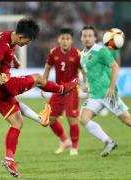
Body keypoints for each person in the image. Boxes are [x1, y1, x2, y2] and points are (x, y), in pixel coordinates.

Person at [0, 18, 78, 177]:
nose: (27, 44)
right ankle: (62, 89)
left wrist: (15, 61)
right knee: (39, 79)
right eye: (27, 41)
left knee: (17, 122)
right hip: (2, 85)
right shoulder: (4, 46)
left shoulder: (5, 36)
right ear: (20, 36)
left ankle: (9, 159)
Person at [79, 25, 131, 158]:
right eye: (84, 36)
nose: (87, 38)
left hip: (108, 94)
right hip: (94, 96)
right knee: (83, 119)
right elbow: (86, 74)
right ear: (81, 38)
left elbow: (115, 67)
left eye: (89, 36)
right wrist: (86, 85)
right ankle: (108, 142)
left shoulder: (101, 51)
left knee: (128, 120)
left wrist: (111, 88)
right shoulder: (82, 55)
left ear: (94, 38)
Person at [42, 28, 81, 156]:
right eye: (62, 38)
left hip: (71, 90)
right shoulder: (54, 52)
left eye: (67, 39)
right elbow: (48, 67)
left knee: (72, 118)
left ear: (72, 40)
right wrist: (44, 83)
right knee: (49, 119)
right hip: (58, 90)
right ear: (59, 40)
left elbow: (84, 70)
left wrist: (86, 83)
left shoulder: (77, 54)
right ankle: (65, 141)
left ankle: (74, 147)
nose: (65, 41)